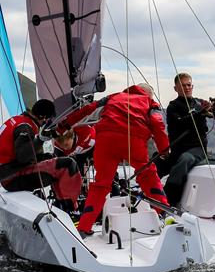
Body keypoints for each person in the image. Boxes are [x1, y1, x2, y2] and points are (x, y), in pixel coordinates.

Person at [63, 83, 170, 238]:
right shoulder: (150, 102)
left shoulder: (114, 97)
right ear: (148, 94)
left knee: (100, 185)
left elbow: (88, 109)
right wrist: (164, 150)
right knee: (147, 175)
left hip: (106, 139)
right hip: (134, 140)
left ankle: (84, 227)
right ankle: (165, 213)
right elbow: (157, 122)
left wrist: (62, 125)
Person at [0, 99, 82, 211]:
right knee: (67, 164)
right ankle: (70, 209)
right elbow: (23, 157)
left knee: (51, 158)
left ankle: (60, 203)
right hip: (13, 178)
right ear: (43, 117)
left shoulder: (18, 120)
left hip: (6, 175)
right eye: (48, 119)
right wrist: (40, 139)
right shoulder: (25, 127)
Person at [161, 72, 215, 206]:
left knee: (185, 160)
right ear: (176, 88)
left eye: (189, 85)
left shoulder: (200, 103)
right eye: (183, 85)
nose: (187, 88)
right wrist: (199, 114)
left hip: (196, 149)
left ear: (192, 86)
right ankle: (143, 195)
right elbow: (179, 123)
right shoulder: (172, 107)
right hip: (176, 150)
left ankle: (168, 201)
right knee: (155, 166)